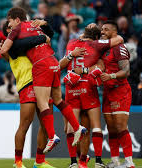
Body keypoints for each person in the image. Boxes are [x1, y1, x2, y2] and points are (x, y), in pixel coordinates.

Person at [0, 7, 86, 153]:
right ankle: (76, 127)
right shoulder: (20, 40)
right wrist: (43, 33)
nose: (11, 27)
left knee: (43, 108)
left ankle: (51, 142)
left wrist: (45, 24)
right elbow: (43, 39)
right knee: (53, 104)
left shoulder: (21, 31)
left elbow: (45, 37)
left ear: (17, 20)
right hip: (44, 69)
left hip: (40, 70)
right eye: (8, 27)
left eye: (11, 23)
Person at [60, 23, 124, 168]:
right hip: (88, 87)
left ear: (84, 33)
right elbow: (119, 39)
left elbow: (60, 65)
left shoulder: (71, 43)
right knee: (93, 127)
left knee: (71, 129)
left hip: (72, 88)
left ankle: (74, 162)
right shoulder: (96, 45)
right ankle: (98, 161)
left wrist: (72, 56)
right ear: (96, 37)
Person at [0, 19, 55, 168]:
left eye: (15, 27)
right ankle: (18, 162)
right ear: (6, 31)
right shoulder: (10, 46)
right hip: (27, 84)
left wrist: (44, 24)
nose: (14, 30)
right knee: (25, 124)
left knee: (45, 125)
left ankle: (40, 161)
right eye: (10, 28)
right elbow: (27, 43)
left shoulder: (26, 40)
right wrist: (43, 37)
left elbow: (48, 36)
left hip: (42, 81)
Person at [100, 20, 135, 168]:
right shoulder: (104, 48)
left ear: (114, 32)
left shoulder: (120, 48)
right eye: (102, 29)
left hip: (120, 90)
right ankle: (115, 161)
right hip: (107, 92)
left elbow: (126, 71)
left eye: (106, 30)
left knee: (121, 126)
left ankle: (129, 162)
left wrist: (111, 76)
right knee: (111, 128)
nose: (102, 32)